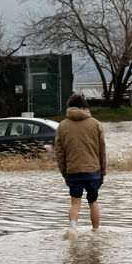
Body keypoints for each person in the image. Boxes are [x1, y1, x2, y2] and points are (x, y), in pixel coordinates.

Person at [55, 93, 106, 229]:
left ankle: (72, 230)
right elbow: (102, 151)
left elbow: (59, 154)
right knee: (93, 202)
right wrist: (103, 172)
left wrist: (65, 173)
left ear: (69, 106)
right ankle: (95, 233)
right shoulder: (96, 124)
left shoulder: (62, 126)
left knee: (75, 204)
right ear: (85, 106)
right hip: (93, 171)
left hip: (73, 171)